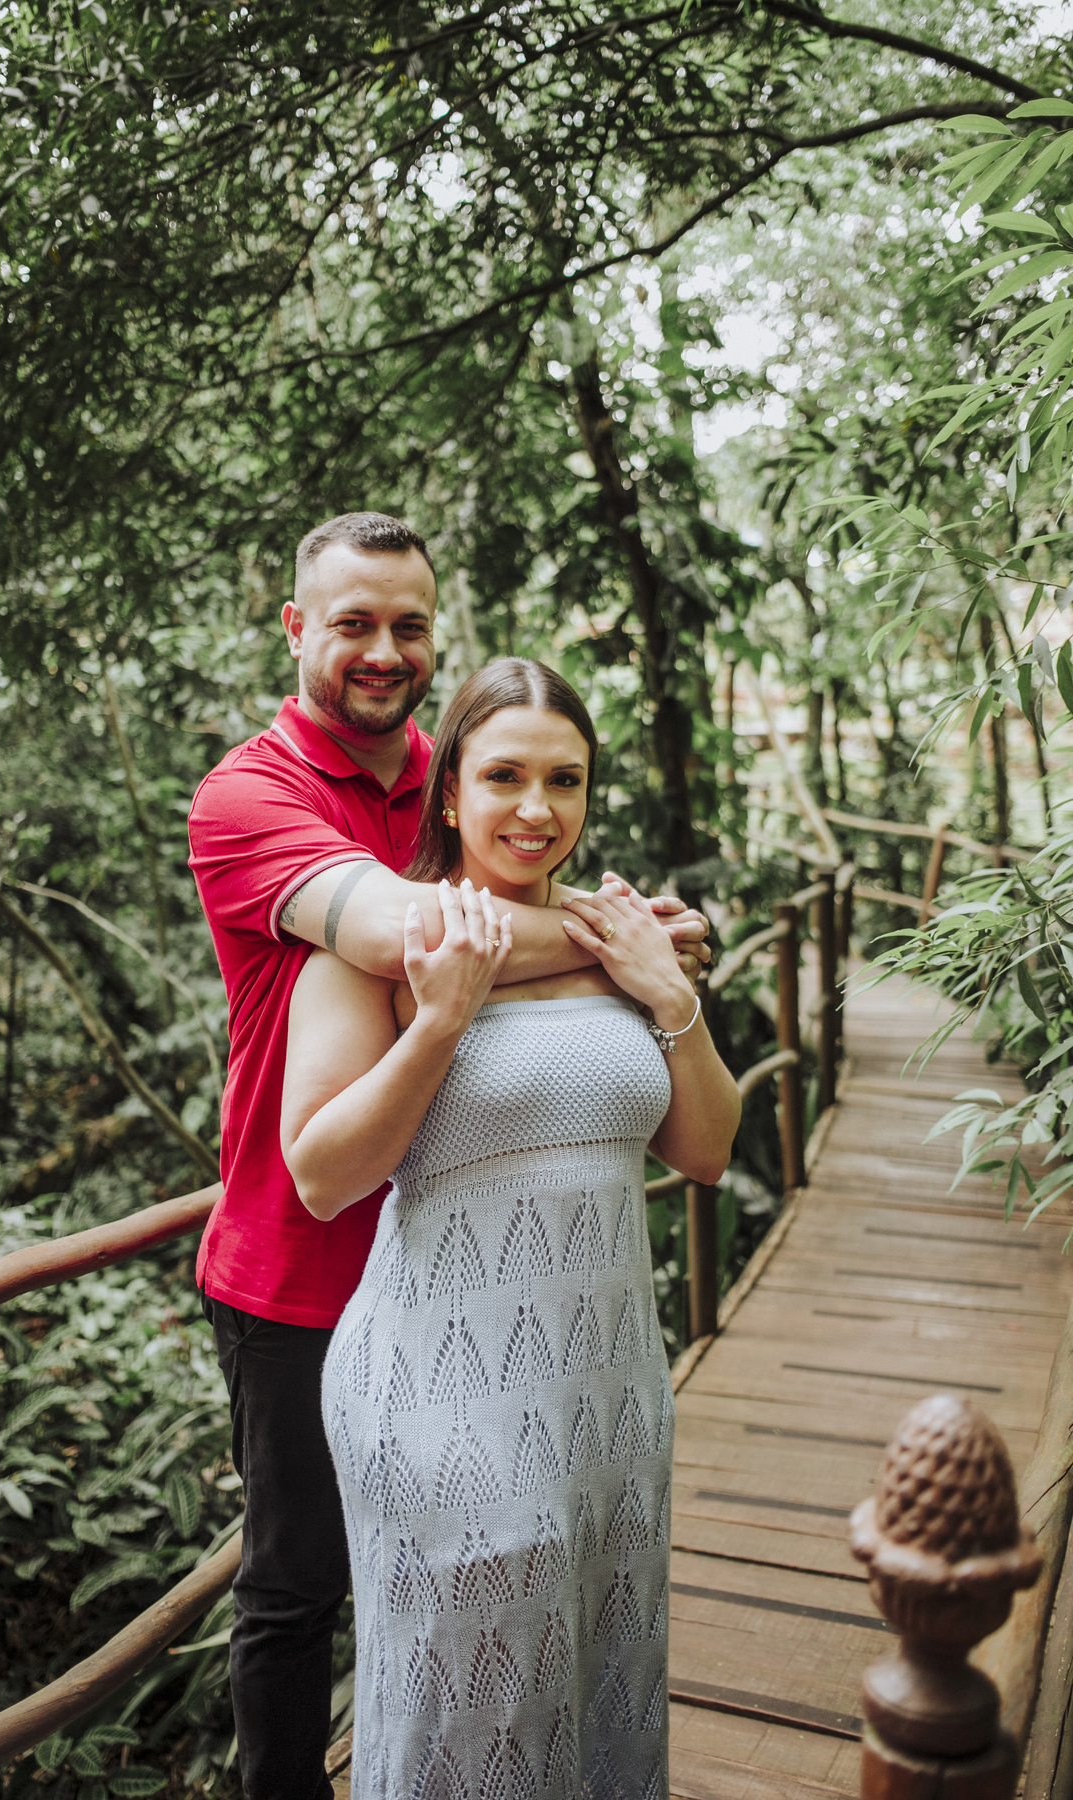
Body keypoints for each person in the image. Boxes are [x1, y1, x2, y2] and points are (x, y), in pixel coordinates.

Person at [187, 513, 713, 1800]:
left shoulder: (463, 760)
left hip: (507, 1282)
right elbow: (404, 937)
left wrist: (640, 972)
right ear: (296, 628)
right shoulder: (250, 793)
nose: (384, 650)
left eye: (409, 625)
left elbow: (506, 883)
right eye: (353, 623)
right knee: (298, 1588)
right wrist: (621, 939)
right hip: (302, 1254)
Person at [281, 658, 741, 1800]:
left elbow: (706, 1150)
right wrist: (439, 1023)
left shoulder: (616, 939)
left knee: (598, 1687)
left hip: (608, 1389)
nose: (537, 809)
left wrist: (670, 995)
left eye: (565, 780)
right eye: (503, 777)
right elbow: (322, 1177)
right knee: (470, 1719)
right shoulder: (376, 953)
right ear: (448, 791)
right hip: (441, 1393)